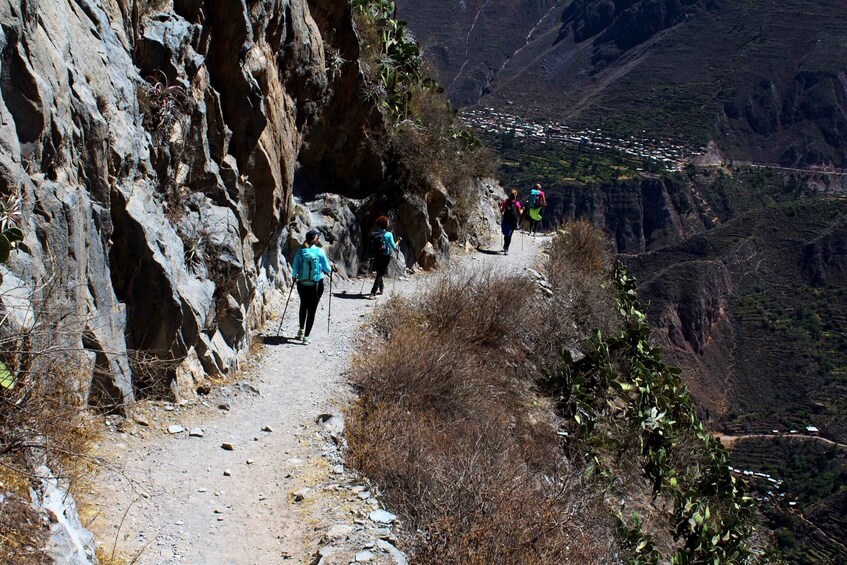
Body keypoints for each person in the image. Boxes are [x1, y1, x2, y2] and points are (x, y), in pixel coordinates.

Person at [291, 229, 335, 345]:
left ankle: (300, 331)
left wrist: (294, 277)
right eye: (317, 238)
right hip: (316, 285)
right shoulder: (320, 252)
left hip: (302, 284)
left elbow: (295, 267)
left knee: (303, 305)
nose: (318, 239)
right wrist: (331, 268)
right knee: (312, 310)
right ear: (315, 240)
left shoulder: (300, 251)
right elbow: (327, 269)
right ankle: (306, 337)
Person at [369, 216, 401, 297]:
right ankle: (373, 292)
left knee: (379, 272)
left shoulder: (374, 234)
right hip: (385, 256)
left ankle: (381, 287)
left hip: (376, 255)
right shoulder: (388, 234)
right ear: (385, 224)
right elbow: (394, 246)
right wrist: (398, 242)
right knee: (380, 273)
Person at [499, 189, 522, 255]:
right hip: (513, 221)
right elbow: (520, 213)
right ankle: (506, 248)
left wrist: (500, 206)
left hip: (506, 219)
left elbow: (502, 210)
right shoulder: (517, 204)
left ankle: (505, 246)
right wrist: (523, 209)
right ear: (516, 196)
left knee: (506, 233)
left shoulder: (506, 202)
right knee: (509, 235)